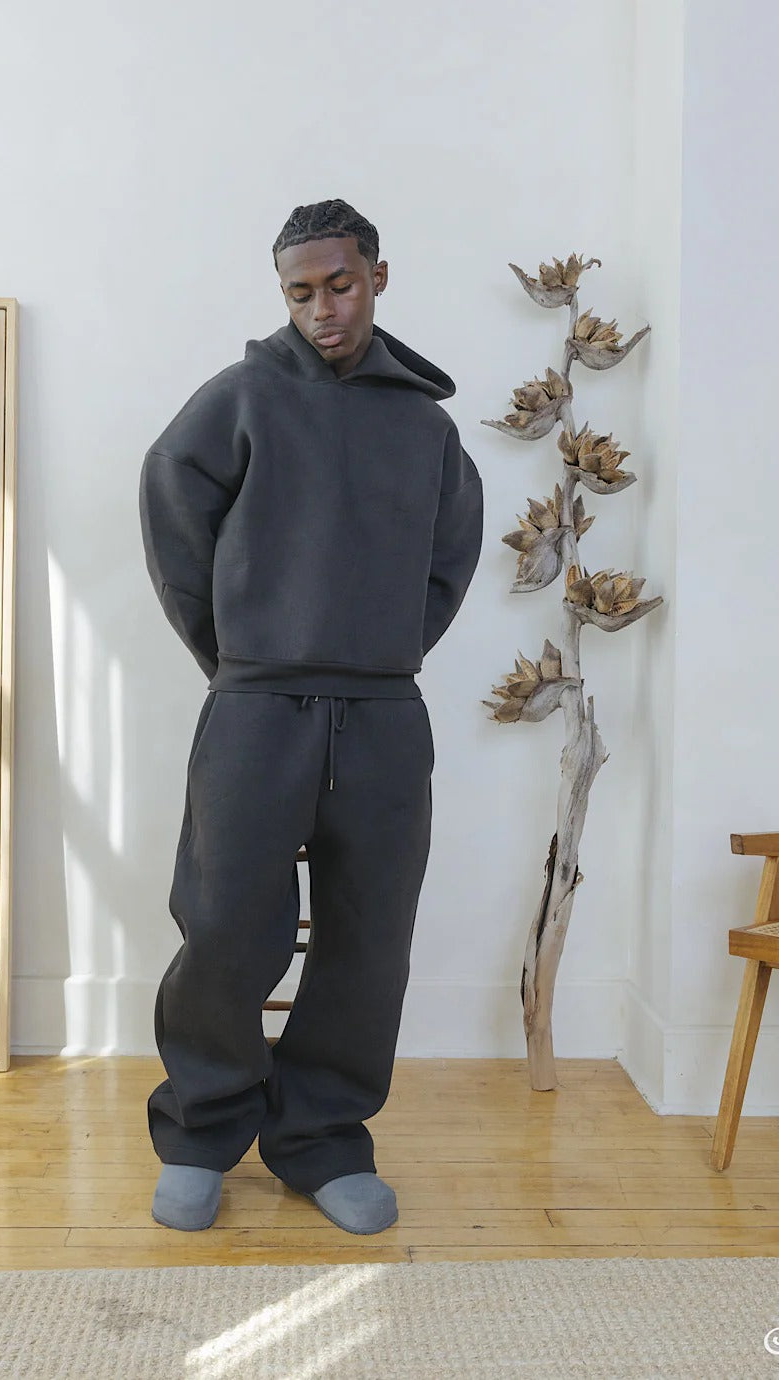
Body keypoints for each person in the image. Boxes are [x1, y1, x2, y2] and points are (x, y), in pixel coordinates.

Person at [138, 198, 483, 1235]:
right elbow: (172, 508)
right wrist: (237, 655)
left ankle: (323, 1139)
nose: (323, 309)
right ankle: (201, 1130)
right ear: (283, 295)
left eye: (340, 285)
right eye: (301, 293)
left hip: (382, 711)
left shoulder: (424, 426)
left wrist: (384, 650)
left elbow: (449, 560)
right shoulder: (242, 398)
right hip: (255, 706)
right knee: (225, 926)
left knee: (370, 935)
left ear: (378, 277)